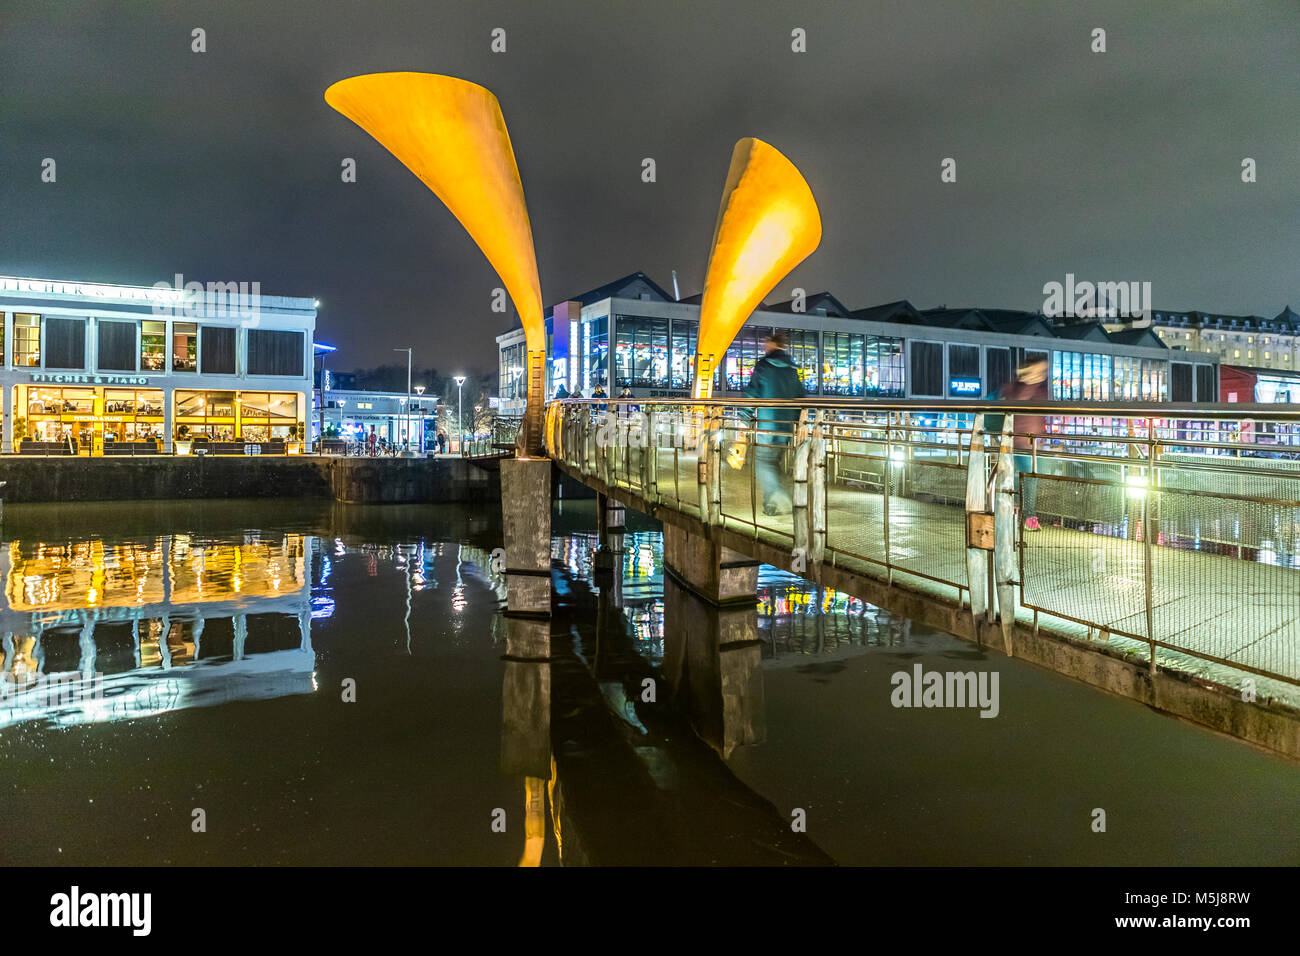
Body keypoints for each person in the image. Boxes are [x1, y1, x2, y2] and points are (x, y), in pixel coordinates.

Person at [744, 331, 805, 515]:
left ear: (772, 344)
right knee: (773, 464)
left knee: (762, 463)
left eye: (766, 343)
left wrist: (743, 416)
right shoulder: (792, 369)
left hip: (767, 425)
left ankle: (778, 494)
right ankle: (770, 506)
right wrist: (798, 422)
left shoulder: (764, 365)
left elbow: (752, 394)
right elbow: (800, 398)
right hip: (785, 427)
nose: (764, 346)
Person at [992, 357, 1051, 531]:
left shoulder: (1040, 389)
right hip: (1016, 440)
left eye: (1043, 371)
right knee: (1026, 479)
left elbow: (1042, 410)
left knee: (1025, 478)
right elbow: (1017, 404)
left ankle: (1018, 512)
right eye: (1038, 370)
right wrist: (1029, 383)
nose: (1041, 374)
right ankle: (1026, 516)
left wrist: (1043, 435)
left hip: (1031, 442)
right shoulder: (1013, 388)